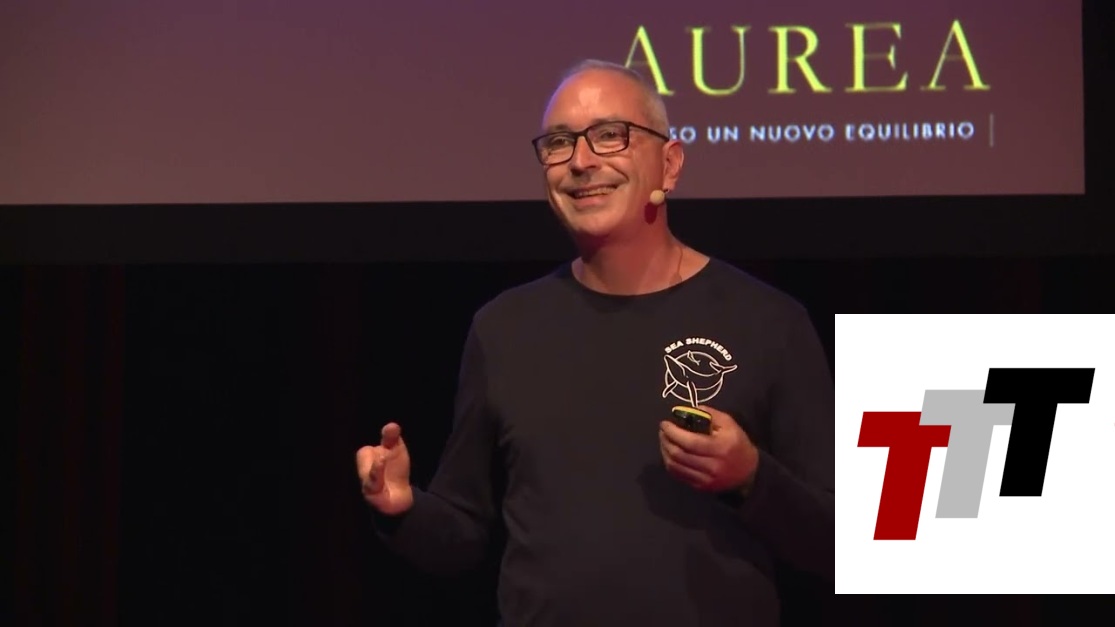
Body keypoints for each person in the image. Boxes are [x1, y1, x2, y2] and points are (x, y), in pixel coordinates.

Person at [355, 59, 834, 626]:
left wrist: (751, 477)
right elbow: (463, 532)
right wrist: (403, 509)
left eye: (610, 135)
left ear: (670, 165)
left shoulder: (769, 322)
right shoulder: (505, 328)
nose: (581, 161)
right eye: (559, 143)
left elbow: (838, 543)